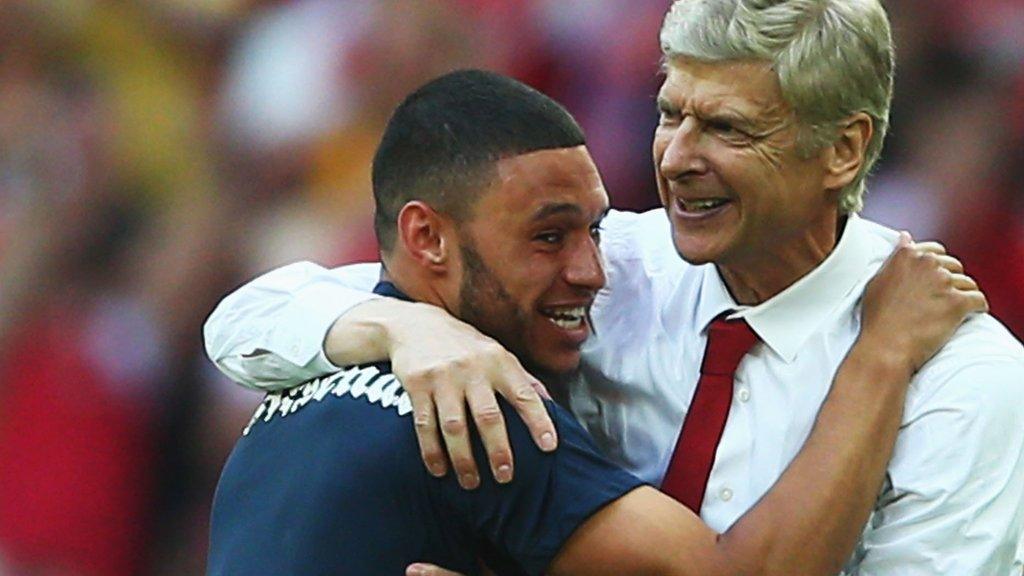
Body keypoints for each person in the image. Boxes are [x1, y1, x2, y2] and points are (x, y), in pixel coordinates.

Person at [205, 1, 1024, 573]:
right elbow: (248, 319)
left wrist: (879, 362)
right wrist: (405, 332)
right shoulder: (609, 265)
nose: (676, 156)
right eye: (671, 113)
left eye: (728, 127)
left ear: (844, 149)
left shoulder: (962, 378)